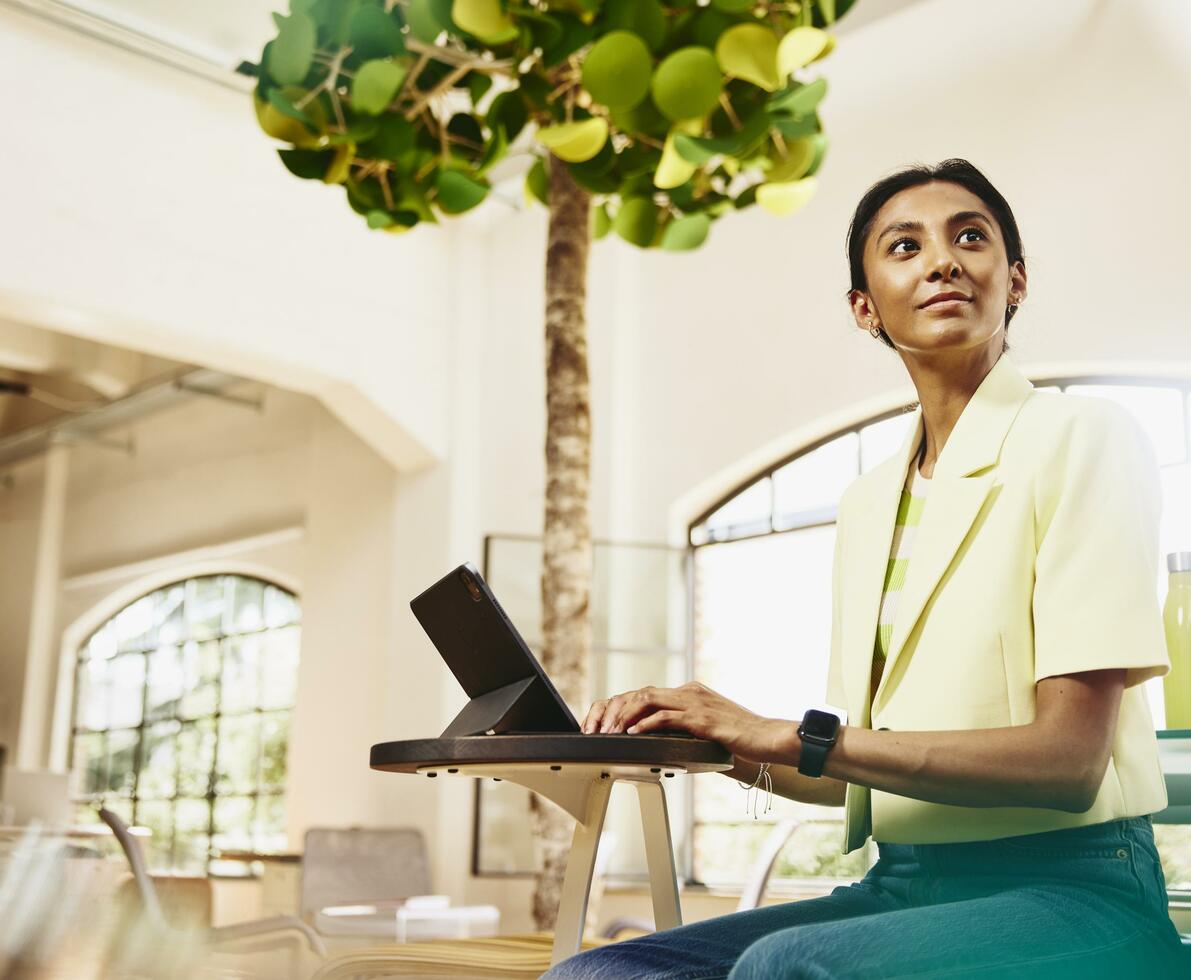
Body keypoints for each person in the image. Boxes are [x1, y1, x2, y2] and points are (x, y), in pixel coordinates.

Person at [540, 159, 1188, 978]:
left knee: (788, 966)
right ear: (863, 306)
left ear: (1013, 280)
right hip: (902, 887)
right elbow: (848, 779)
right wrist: (711, 734)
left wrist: (789, 735)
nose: (942, 261)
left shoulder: (1084, 438)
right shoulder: (867, 503)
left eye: (969, 237)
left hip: (1076, 887)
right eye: (904, 247)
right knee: (599, 973)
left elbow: (1067, 763)